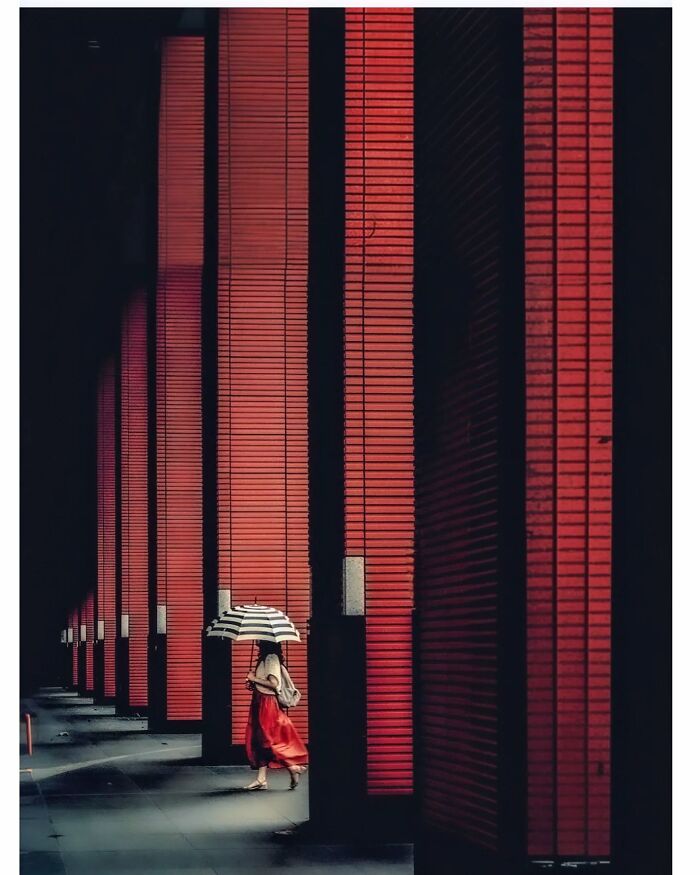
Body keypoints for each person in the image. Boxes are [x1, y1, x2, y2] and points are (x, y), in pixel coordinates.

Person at [243, 640, 308, 790]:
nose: (257, 641)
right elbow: (265, 681)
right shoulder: (265, 658)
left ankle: (293, 768)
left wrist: (254, 679)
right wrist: (253, 683)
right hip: (260, 700)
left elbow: (274, 683)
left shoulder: (271, 657)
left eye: (260, 639)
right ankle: (261, 779)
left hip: (267, 702)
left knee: (267, 740)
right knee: (258, 740)